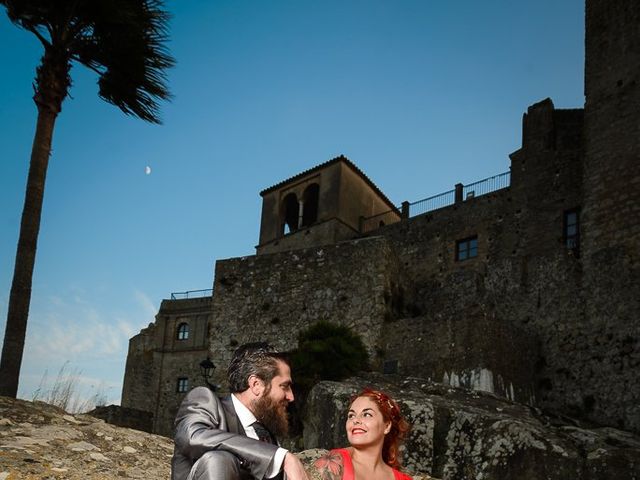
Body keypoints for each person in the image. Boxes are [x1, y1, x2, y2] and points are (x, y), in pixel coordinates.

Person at [172, 342, 309, 480]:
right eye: (284, 386)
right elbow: (192, 436)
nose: (291, 397)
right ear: (256, 385)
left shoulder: (266, 434)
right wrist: (280, 457)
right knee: (219, 461)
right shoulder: (205, 400)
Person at [310, 388, 412, 480]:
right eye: (351, 415)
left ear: (387, 426)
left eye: (367, 414)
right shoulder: (335, 462)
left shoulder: (403, 478)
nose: (356, 420)